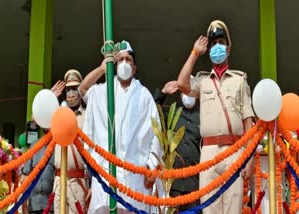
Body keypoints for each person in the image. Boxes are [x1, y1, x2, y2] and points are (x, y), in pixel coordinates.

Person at [177, 20, 255, 214]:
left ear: (228, 49)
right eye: (213, 43)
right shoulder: (203, 81)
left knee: (233, 209)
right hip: (209, 153)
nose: (217, 47)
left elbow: (248, 123)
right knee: (209, 208)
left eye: (221, 42)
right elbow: (182, 84)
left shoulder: (239, 80)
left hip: (233, 151)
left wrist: (250, 158)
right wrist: (195, 53)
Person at [79, 40, 162, 214]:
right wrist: (103, 68)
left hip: (135, 178)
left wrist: (151, 165)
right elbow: (83, 88)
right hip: (106, 175)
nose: (124, 63)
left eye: (128, 60)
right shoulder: (104, 90)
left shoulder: (144, 95)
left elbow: (156, 133)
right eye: (121, 60)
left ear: (134, 67)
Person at [154, 80, 201, 212]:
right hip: (175, 183)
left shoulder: (203, 115)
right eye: (183, 92)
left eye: (190, 91)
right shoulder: (172, 112)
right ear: (180, 95)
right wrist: (163, 92)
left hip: (196, 183)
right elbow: (151, 111)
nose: (187, 95)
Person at [52, 69, 91, 213]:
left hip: (78, 182)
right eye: (68, 89)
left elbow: (94, 151)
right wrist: (50, 97)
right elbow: (35, 119)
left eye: (74, 88)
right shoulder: (57, 115)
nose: (71, 93)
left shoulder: (88, 116)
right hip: (58, 181)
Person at [22, 129, 55, 214]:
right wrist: (24, 205)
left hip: (51, 205)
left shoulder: (57, 146)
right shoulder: (34, 145)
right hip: (34, 204)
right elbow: (25, 174)